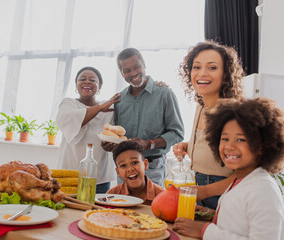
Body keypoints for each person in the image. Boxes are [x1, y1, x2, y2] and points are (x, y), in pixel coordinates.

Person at [173, 98, 284, 239]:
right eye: (224, 139)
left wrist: (204, 230)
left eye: (240, 139)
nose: (229, 146)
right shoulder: (241, 181)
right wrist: (213, 214)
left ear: (261, 146)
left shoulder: (263, 189)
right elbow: (240, 221)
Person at [172, 41, 244, 209]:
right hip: (200, 188)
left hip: (224, 196)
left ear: (226, 74)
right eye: (196, 67)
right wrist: (189, 146)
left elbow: (247, 172)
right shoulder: (201, 107)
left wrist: (204, 191)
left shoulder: (233, 112)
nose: (202, 73)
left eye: (212, 68)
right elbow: (218, 149)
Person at [102, 48, 184, 188]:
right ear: (122, 74)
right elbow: (118, 135)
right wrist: (109, 144)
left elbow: (177, 133)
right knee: (124, 207)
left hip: (153, 168)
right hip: (124, 169)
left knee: (151, 209)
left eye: (136, 67)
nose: (133, 73)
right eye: (127, 70)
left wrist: (149, 143)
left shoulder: (164, 94)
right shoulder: (119, 100)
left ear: (144, 64)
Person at [56, 66, 120, 193]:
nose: (87, 82)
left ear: (99, 86)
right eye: (82, 79)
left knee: (95, 212)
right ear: (76, 85)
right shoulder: (68, 103)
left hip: (99, 178)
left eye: (92, 80)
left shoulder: (109, 108)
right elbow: (70, 119)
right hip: (70, 174)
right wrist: (100, 108)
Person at [107, 141, 164, 205]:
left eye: (134, 162)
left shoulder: (161, 196)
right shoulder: (112, 195)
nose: (130, 169)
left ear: (145, 164)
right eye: (123, 165)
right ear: (118, 172)